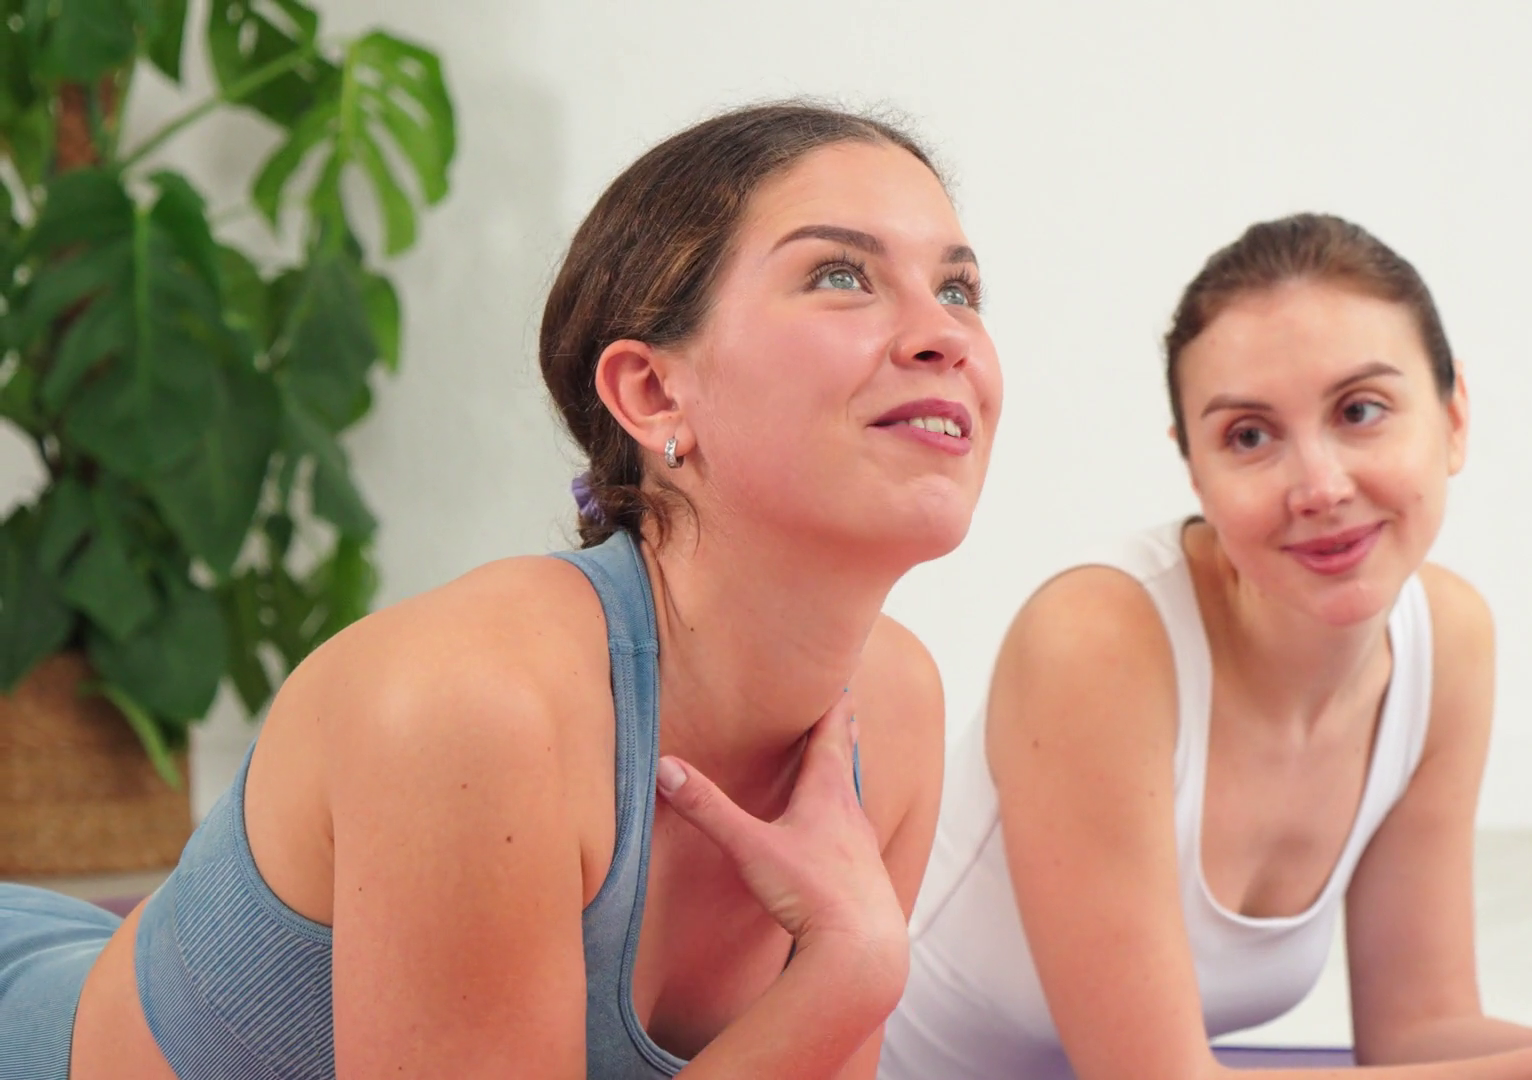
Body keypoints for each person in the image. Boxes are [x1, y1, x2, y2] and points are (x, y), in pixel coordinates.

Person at [0, 100, 1001, 1080]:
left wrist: (849, 975)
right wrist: (847, 973)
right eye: (841, 276)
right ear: (653, 393)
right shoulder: (475, 701)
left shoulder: (893, 710)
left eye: (958, 289)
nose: (944, 334)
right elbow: (834, 1007)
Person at [881, 214, 1532, 1080]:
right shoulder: (1098, 642)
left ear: (1454, 419)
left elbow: (1418, 1033)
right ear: (1194, 468)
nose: (1319, 486)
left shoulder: (1446, 640)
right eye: (1250, 435)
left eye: (1361, 411)